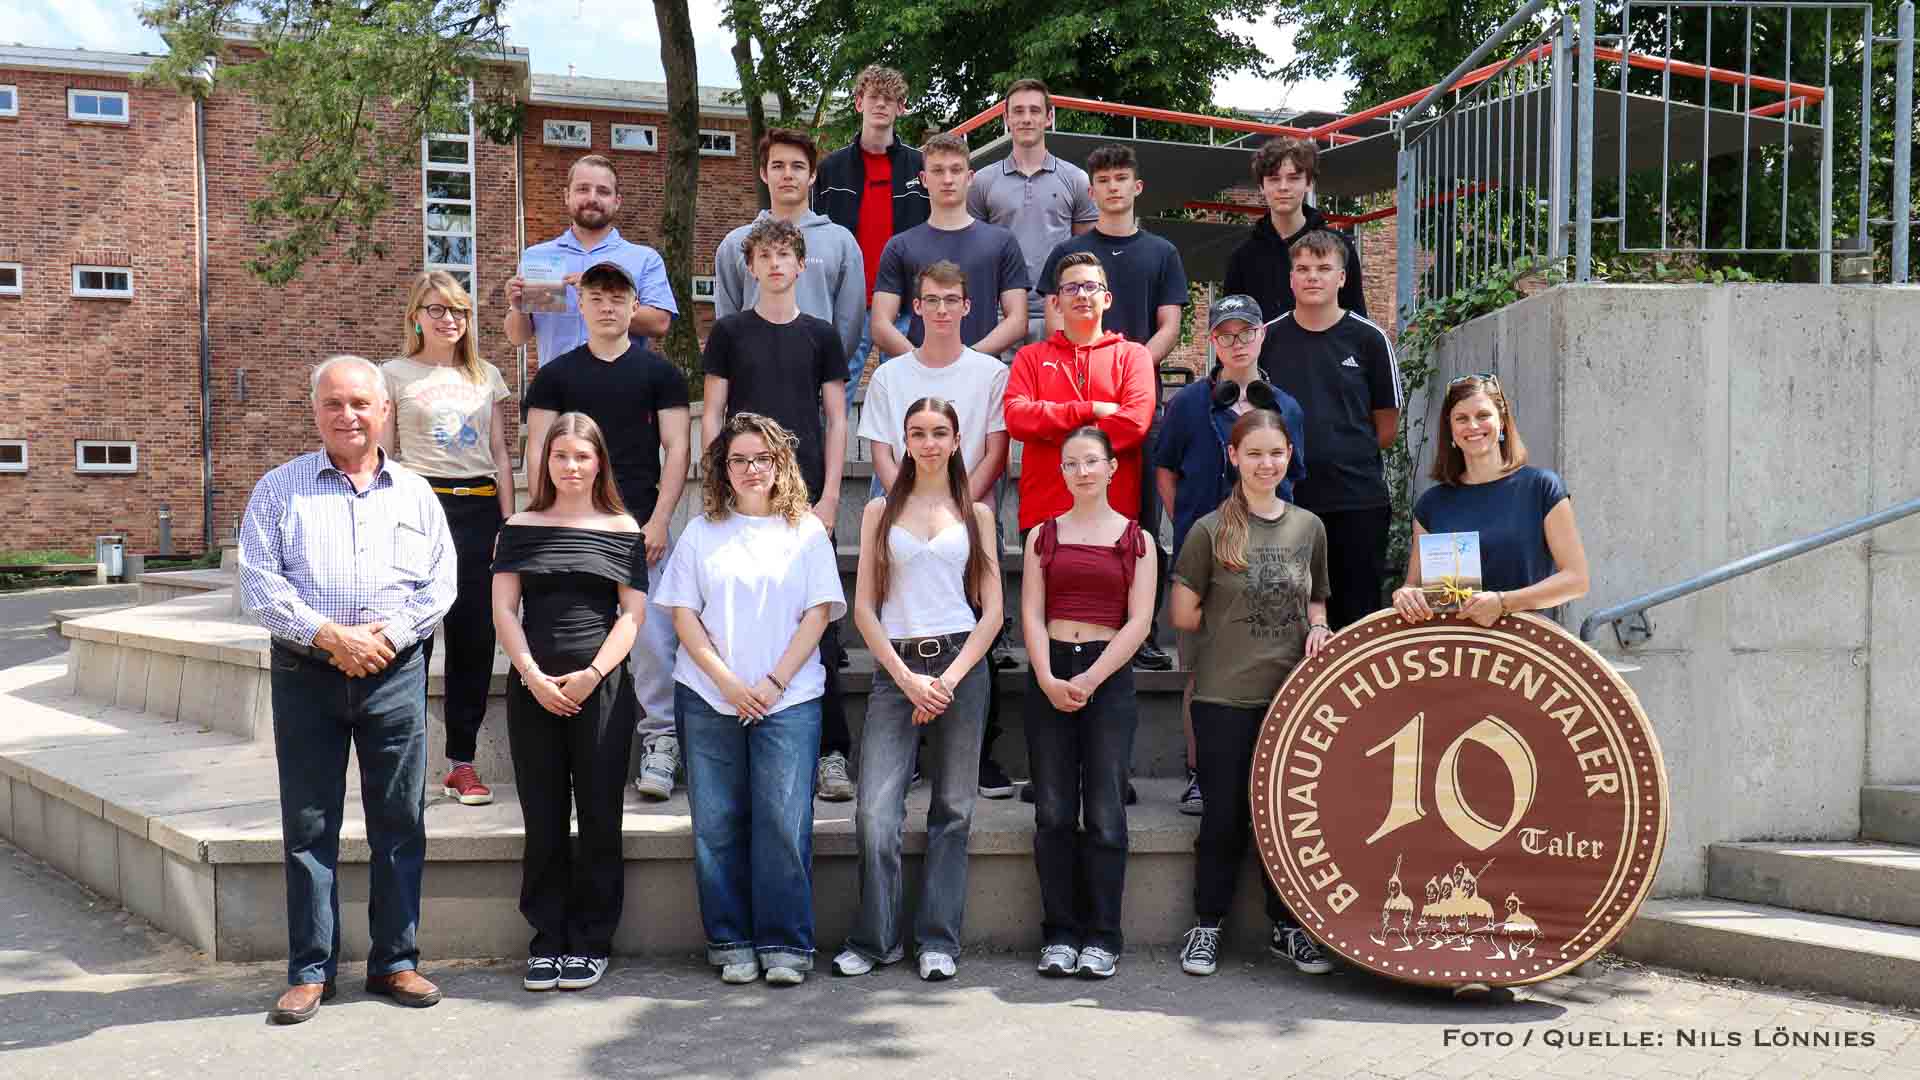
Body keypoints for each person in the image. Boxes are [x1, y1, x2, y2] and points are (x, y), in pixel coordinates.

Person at [237, 355, 456, 1025]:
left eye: (361, 403)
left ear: (385, 410)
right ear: (315, 412)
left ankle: (396, 961)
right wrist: (332, 636)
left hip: (394, 671)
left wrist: (386, 638)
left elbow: (440, 582)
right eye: (333, 403)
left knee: (400, 820)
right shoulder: (278, 488)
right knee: (308, 824)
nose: (348, 415)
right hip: (306, 672)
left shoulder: (416, 493)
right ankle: (311, 971)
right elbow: (259, 583)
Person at [655, 413, 847, 986]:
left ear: (781, 464)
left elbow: (818, 614)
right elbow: (684, 616)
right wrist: (728, 683)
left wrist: (772, 683)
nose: (751, 469)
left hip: (789, 698)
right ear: (723, 469)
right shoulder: (701, 532)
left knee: (784, 823)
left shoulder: (806, 532)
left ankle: (786, 943)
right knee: (716, 825)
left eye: (762, 458)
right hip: (708, 696)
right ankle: (731, 940)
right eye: (738, 460)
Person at [833, 398, 1002, 982]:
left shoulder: (976, 513)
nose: (929, 443)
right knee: (875, 811)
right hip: (896, 667)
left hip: (961, 666)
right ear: (904, 441)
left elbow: (993, 611)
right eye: (918, 433)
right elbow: (864, 608)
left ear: (956, 441)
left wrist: (948, 680)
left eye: (939, 433)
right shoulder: (879, 511)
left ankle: (937, 939)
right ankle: (875, 939)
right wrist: (907, 679)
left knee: (953, 810)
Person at [1168, 410, 1335, 978]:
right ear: (1234, 457)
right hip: (1223, 698)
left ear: (1290, 456)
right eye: (1255, 453)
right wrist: (1236, 625)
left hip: (1290, 700)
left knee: (1284, 820)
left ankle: (1288, 928)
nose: (1267, 464)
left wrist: (1317, 626)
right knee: (1225, 817)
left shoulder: (1309, 527)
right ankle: (1206, 925)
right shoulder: (1209, 530)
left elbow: (1317, 597)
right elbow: (1182, 614)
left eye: (1276, 453)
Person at [522, 261, 691, 801]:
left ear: (634, 305)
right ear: (581, 305)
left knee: (654, 642)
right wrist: (540, 519)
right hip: (570, 530)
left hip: (639, 528)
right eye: (596, 296)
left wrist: (659, 520)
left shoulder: (659, 374)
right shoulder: (555, 376)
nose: (607, 306)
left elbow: (678, 449)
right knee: (574, 636)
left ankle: (661, 741)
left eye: (618, 297)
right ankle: (579, 750)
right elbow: (537, 450)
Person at [491, 413, 646, 993]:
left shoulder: (622, 527)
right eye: (561, 456)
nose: (572, 466)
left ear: (599, 462)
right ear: (546, 462)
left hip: (601, 688)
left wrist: (593, 674)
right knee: (544, 816)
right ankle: (548, 939)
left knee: (601, 815)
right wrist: (531, 674)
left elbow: (631, 615)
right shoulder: (519, 525)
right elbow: (504, 609)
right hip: (533, 687)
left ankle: (592, 940)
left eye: (583, 456)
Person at [701, 217, 854, 801]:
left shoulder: (821, 335)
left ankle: (831, 751)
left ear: (800, 265)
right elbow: (713, 414)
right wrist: (716, 482)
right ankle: (736, 736)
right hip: (742, 493)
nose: (774, 265)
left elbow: (836, 418)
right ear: (751, 266)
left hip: (805, 498)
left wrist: (831, 496)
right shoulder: (729, 332)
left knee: (819, 623)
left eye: (784, 255)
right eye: (764, 256)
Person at [1036, 142, 1189, 673]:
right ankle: (1062, 629)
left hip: (1133, 399)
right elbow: (1054, 320)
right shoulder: (1069, 251)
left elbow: (1170, 325)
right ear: (1092, 190)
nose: (1113, 187)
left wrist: (1132, 367)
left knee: (1139, 523)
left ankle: (1140, 632)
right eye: (1103, 180)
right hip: (1078, 396)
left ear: (1136, 187)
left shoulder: (1161, 252)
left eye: (1121, 178)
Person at [1152, 294, 1306, 815]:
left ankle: (1266, 774)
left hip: (1271, 563)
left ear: (1262, 335)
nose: (1237, 343)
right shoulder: (1187, 405)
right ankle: (1201, 775)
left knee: (1272, 667)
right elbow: (1165, 470)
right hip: (1204, 562)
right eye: (1226, 335)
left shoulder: (1287, 408)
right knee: (1201, 671)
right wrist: (1192, 526)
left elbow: (1294, 481)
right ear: (1212, 341)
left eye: (1246, 333)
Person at [1022, 426, 1157, 979]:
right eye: (1072, 463)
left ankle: (1103, 936)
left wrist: (1094, 677)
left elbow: (1140, 621)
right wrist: (1048, 677)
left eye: (1091, 462)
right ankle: (1059, 933)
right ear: (1061, 472)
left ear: (1111, 468)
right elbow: (1031, 613)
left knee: (1104, 812)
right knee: (1053, 811)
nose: (1082, 472)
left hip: (1108, 674)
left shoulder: (1138, 540)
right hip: (1050, 670)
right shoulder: (1042, 535)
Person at [380, 271, 514, 807]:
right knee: (415, 637)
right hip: (419, 504)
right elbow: (384, 456)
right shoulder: (393, 374)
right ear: (416, 316)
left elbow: (500, 453)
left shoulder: (486, 375)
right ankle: (405, 762)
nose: (448, 319)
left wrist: (509, 524)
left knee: (474, 639)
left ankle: (462, 762)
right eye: (436, 309)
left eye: (458, 310)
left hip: (479, 507)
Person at [1263, 230, 1402, 630]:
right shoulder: (1267, 339)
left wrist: (1341, 453)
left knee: (1356, 620)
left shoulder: (1370, 339)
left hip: (1356, 502)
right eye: (1303, 268)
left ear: (1342, 277)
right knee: (1285, 619)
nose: (1312, 276)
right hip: (1285, 501)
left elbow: (1386, 426)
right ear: (1290, 278)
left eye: (1324, 268)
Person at [1391, 374, 1590, 626]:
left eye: (1483, 415)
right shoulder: (1431, 504)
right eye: (1461, 418)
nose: (1473, 426)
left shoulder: (1541, 487)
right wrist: (1406, 595)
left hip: (1525, 643)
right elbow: (1414, 586)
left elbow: (1576, 580)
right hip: (1453, 644)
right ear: (1450, 428)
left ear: (1502, 421)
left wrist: (1503, 602)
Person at [813, 64, 930, 408]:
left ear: (901, 108)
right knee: (835, 394)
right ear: (859, 103)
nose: (881, 104)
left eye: (889, 99)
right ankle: (831, 448)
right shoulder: (831, 169)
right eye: (874, 97)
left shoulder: (921, 167)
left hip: (905, 301)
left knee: (906, 399)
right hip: (848, 301)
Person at [870, 131, 1030, 363]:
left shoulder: (1002, 242)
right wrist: (922, 363)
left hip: (981, 373)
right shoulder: (900, 246)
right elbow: (880, 324)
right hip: (919, 375)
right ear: (924, 179)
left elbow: (1018, 320)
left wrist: (968, 361)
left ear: (970, 177)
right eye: (937, 170)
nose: (947, 179)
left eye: (956, 170)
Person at [715, 127, 866, 367]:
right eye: (777, 166)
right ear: (764, 173)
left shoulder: (841, 243)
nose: (788, 174)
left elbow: (850, 324)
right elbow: (727, 321)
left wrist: (827, 369)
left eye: (797, 166)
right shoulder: (735, 244)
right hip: (751, 376)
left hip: (819, 379)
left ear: (812, 175)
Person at [505, 153, 678, 362]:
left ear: (617, 201)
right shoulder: (539, 257)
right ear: (567, 196)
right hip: (558, 382)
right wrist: (518, 308)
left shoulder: (644, 259)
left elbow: (660, 324)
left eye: (603, 191)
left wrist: (599, 293)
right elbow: (518, 337)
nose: (592, 199)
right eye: (583, 189)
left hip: (623, 381)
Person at [967, 78, 1097, 349]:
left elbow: (1088, 256)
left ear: (1049, 117)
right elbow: (974, 256)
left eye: (1035, 110)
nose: (1026, 118)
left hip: (1060, 314)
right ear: (1006, 119)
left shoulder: (1076, 179)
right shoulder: (982, 182)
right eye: (1018, 111)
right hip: (999, 318)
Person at [1222, 137, 1366, 324]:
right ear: (1261, 186)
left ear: (1309, 183)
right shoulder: (1243, 257)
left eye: (1294, 178)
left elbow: (1357, 321)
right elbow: (1232, 328)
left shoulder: (1339, 248)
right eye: (1274, 179)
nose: (1283, 187)